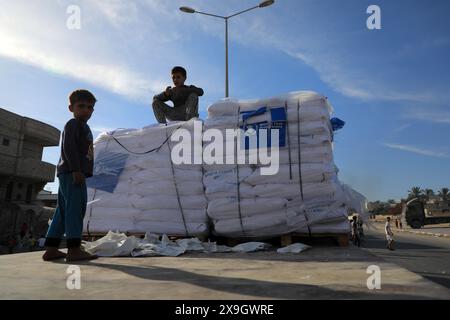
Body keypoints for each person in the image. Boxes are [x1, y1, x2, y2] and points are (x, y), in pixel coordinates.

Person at [42, 89, 98, 262]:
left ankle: (51, 248)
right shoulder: (73, 125)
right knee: (76, 209)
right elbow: (69, 148)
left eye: (90, 107)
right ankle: (74, 249)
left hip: (70, 173)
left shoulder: (84, 127)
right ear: (71, 108)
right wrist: (76, 170)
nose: (86, 110)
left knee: (63, 211)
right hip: (72, 172)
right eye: (81, 106)